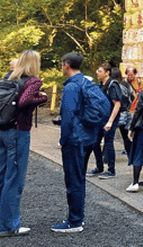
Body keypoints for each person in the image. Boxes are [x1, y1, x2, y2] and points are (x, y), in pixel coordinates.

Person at [0, 50, 47, 237]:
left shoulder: (7, 78)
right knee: (14, 179)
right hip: (18, 132)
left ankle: (3, 222)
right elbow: (25, 101)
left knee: (2, 176)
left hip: (2, 129)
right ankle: (9, 225)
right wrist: (42, 97)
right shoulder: (33, 81)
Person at [52, 52, 96, 233]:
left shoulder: (71, 87)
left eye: (62, 64)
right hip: (87, 137)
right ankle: (78, 217)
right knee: (80, 178)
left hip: (74, 139)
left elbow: (68, 116)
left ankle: (74, 221)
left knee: (73, 180)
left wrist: (63, 139)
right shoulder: (86, 82)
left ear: (66, 65)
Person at [88, 63, 124, 179]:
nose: (97, 73)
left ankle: (111, 170)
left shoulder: (112, 85)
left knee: (108, 143)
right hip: (100, 118)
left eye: (99, 71)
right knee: (95, 142)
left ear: (107, 72)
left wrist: (110, 121)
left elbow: (117, 104)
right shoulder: (101, 85)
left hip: (110, 118)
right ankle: (99, 167)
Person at [119, 66, 143, 156]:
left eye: (132, 75)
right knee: (126, 133)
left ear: (135, 74)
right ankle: (129, 151)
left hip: (136, 110)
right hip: (127, 111)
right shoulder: (123, 84)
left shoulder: (140, 82)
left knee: (134, 132)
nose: (130, 77)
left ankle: (133, 150)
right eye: (128, 75)